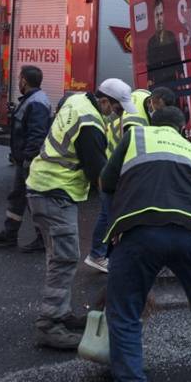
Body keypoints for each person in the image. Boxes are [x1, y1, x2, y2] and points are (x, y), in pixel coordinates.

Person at [99, 106, 191, 382]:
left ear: (153, 122)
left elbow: (107, 181)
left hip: (141, 227)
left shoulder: (136, 135)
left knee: (124, 310)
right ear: (183, 128)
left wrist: (113, 224)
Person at [25, 86, 109, 348]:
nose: (114, 116)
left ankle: (60, 313)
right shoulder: (91, 123)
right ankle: (49, 324)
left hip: (42, 187)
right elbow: (99, 174)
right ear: (104, 102)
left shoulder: (76, 102)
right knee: (64, 258)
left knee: (59, 257)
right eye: (114, 109)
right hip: (55, 192)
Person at [0, 65, 52, 252]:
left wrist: (28, 159)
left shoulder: (36, 102)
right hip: (25, 159)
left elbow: (37, 135)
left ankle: (43, 238)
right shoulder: (33, 100)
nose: (18, 81)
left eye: (19, 78)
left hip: (30, 161)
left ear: (24, 80)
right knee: (17, 197)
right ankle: (10, 234)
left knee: (34, 201)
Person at [83, 78, 140, 273]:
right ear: (105, 101)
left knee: (108, 215)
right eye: (118, 108)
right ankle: (98, 255)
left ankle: (101, 254)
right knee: (109, 216)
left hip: (109, 173)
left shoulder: (106, 118)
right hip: (107, 175)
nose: (120, 113)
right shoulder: (94, 117)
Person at [145, 0, 182, 87]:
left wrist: (181, 74)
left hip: (172, 84)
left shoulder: (171, 36)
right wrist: (149, 80)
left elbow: (177, 59)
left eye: (161, 14)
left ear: (164, 15)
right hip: (159, 86)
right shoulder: (151, 42)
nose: (159, 19)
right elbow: (150, 65)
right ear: (153, 18)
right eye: (157, 15)